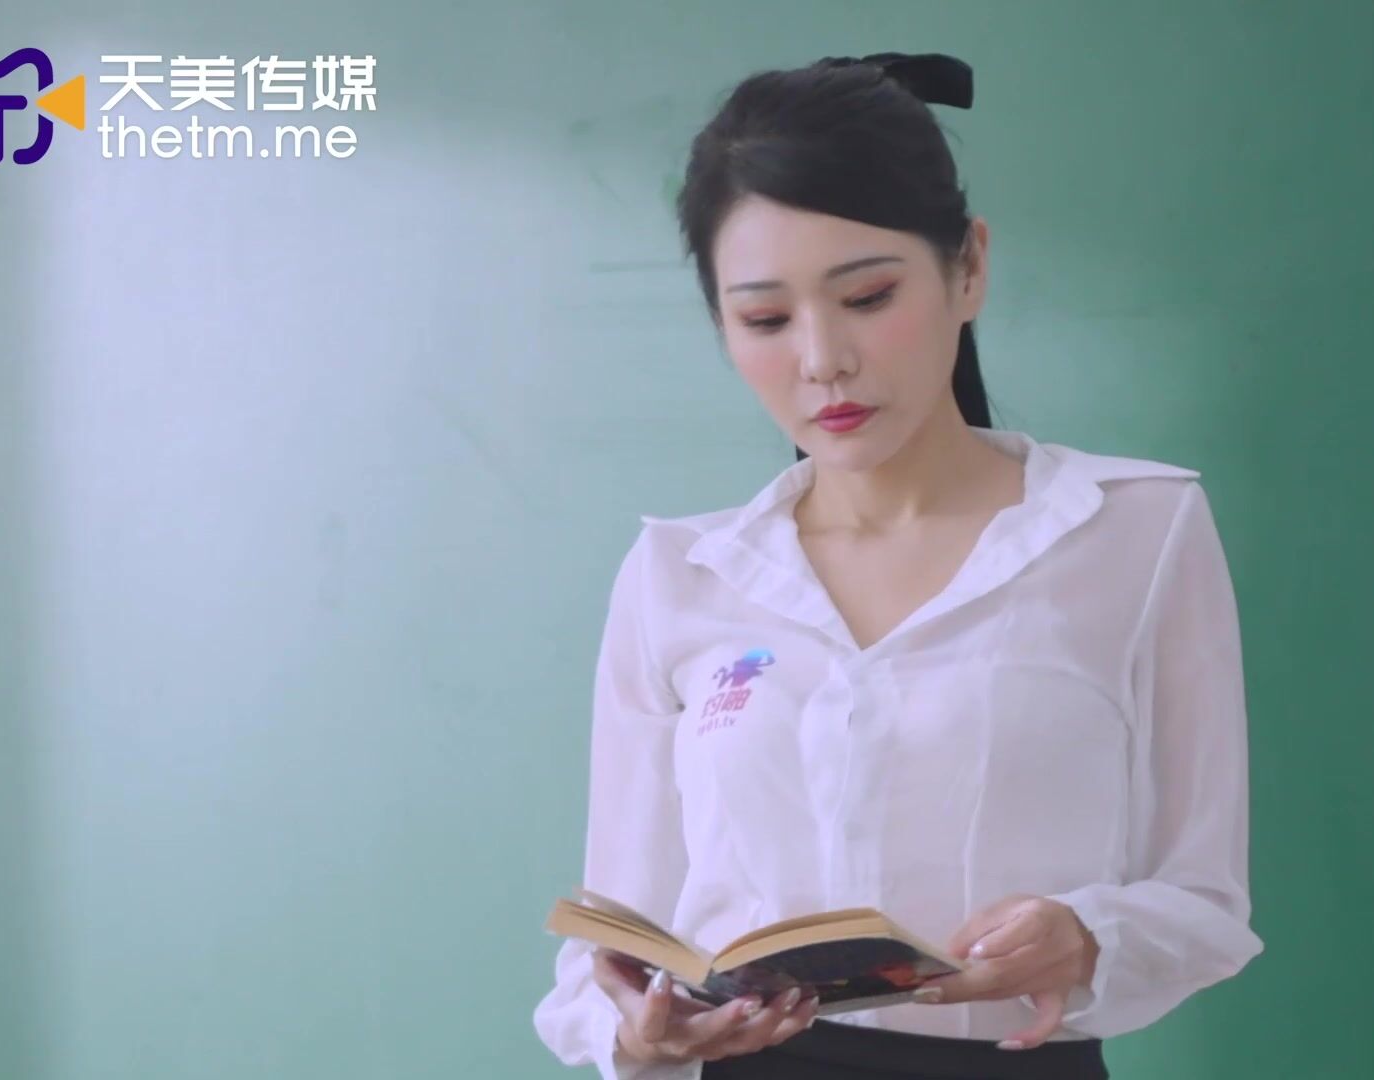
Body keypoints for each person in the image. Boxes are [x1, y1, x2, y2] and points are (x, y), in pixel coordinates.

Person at [532, 51, 1262, 1080]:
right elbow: (610, 945)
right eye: (765, 319)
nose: (821, 358)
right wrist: (637, 1033)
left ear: (968, 268)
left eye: (868, 296)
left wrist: (1087, 938)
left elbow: (1204, 901)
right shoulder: (680, 575)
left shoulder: (1134, 530)